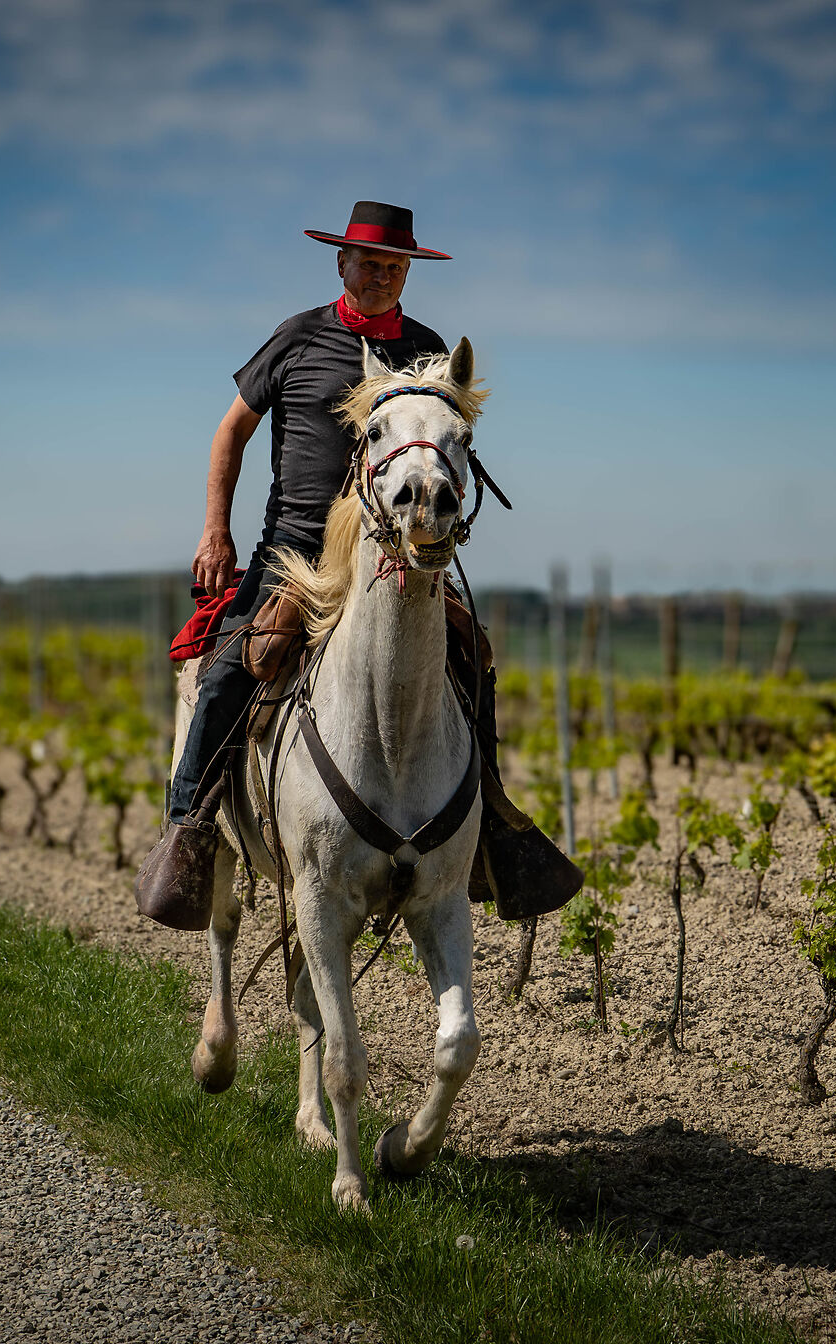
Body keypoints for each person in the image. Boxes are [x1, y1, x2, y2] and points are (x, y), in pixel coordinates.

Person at [136, 201, 573, 926]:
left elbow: (445, 448)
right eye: (369, 263)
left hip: (393, 556)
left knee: (474, 656)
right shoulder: (297, 338)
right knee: (225, 671)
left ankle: (490, 823)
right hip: (295, 554)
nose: (381, 276)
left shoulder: (429, 354)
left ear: (407, 273)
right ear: (342, 263)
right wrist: (216, 531)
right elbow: (229, 434)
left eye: (394, 266)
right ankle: (190, 829)